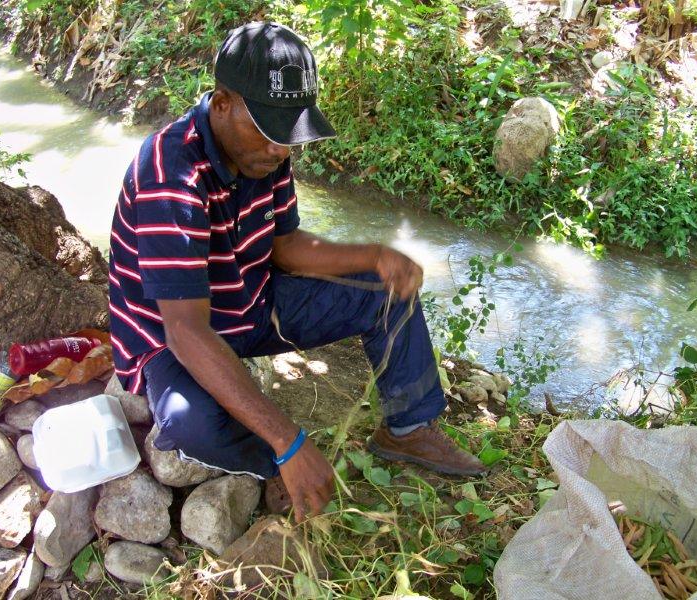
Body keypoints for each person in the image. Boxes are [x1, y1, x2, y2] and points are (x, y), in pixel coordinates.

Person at [108, 21, 484, 522]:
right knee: (191, 423)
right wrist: (289, 443)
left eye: (288, 135)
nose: (281, 150)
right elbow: (186, 332)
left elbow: (285, 248)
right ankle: (274, 468)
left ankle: (409, 429)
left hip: (252, 304)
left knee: (386, 291)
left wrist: (374, 256)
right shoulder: (170, 173)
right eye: (268, 130)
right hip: (174, 337)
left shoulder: (265, 155)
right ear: (222, 103)